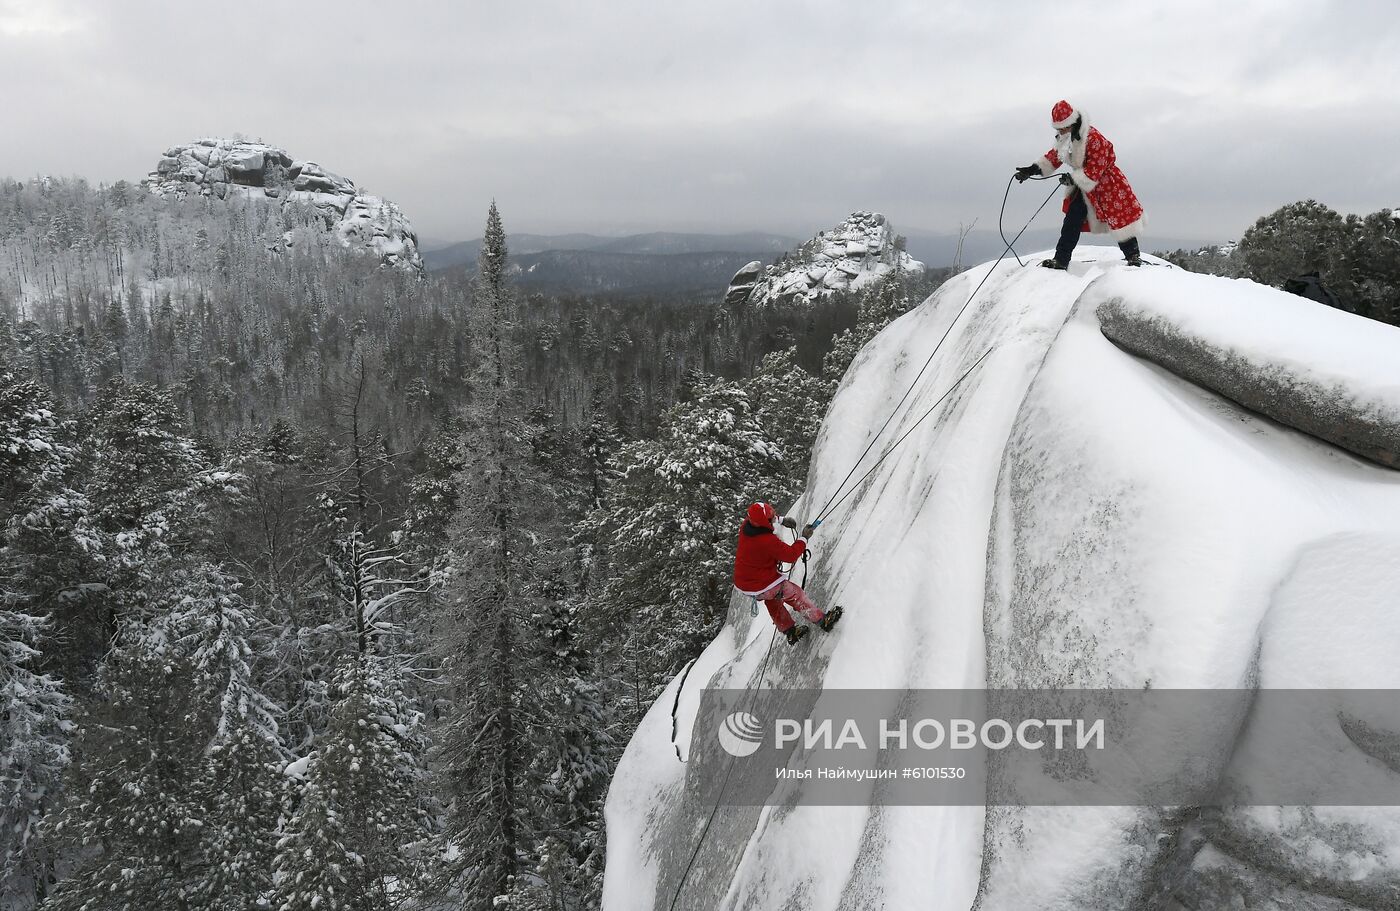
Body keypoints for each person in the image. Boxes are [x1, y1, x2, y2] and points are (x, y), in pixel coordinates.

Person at [1014, 100, 1145, 270]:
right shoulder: (1065, 139)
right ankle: (1061, 260)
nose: (1060, 131)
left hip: (1108, 185)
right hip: (1084, 187)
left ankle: (1133, 256)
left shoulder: (1094, 138)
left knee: (1119, 219)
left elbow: (1095, 170)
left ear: (1071, 123)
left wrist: (1073, 179)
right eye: (1058, 129)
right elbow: (1054, 157)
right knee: (1072, 220)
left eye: (1062, 128)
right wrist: (1031, 170)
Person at [732, 501, 841, 645]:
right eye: (772, 519)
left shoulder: (747, 526)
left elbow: (764, 518)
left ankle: (790, 631)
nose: (774, 520)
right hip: (763, 583)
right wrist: (804, 538)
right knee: (795, 595)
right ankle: (822, 621)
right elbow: (789, 555)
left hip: (745, 585)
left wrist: (782, 520)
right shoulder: (766, 541)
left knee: (772, 601)